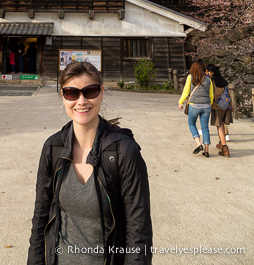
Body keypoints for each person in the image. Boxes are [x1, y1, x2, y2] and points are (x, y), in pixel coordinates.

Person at [27, 61, 152, 265]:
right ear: (62, 95)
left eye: (90, 91)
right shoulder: (53, 148)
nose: (81, 101)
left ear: (101, 92)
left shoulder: (123, 152)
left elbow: (138, 231)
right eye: (71, 93)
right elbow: (40, 216)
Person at [178, 60, 213, 157]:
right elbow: (211, 95)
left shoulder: (190, 77)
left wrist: (181, 102)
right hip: (206, 105)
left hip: (194, 105)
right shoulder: (208, 79)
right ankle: (206, 150)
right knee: (205, 127)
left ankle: (198, 143)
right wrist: (210, 104)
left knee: (191, 123)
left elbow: (186, 92)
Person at [206, 64, 233, 158]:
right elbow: (228, 94)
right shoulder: (223, 82)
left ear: (212, 72)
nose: (207, 73)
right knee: (223, 125)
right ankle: (221, 143)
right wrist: (231, 106)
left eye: (208, 71)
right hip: (226, 107)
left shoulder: (212, 82)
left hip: (217, 107)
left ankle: (225, 149)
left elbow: (213, 96)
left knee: (220, 127)